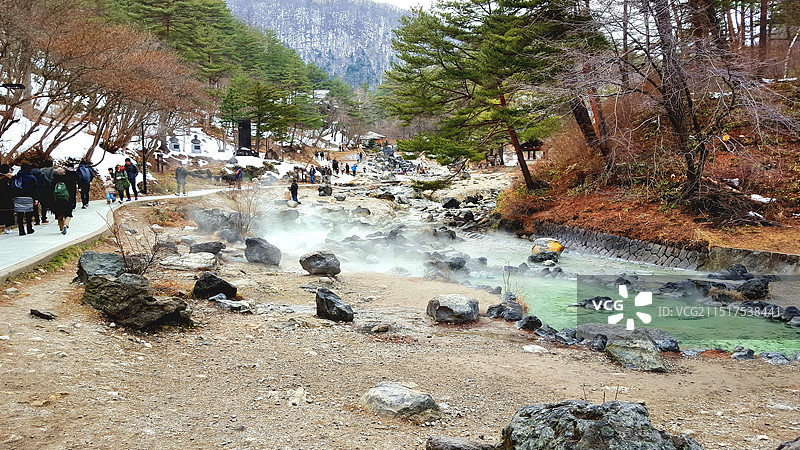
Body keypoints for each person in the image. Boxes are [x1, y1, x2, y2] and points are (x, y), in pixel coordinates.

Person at [11, 163, 38, 236]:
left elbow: (12, 187)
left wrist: (13, 197)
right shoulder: (32, 177)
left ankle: (21, 230)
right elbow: (35, 189)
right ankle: (29, 228)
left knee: (20, 215)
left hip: (18, 196)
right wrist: (35, 198)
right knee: (28, 214)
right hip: (29, 197)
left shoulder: (16, 176)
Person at [51, 167, 75, 234]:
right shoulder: (67, 180)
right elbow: (72, 190)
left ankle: (61, 228)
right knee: (68, 214)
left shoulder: (53, 181)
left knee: (59, 215)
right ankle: (66, 224)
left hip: (56, 200)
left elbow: (50, 191)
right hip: (66, 200)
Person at [38, 159, 54, 224]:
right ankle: (55, 214)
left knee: (43, 204)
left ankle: (43, 217)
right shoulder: (52, 170)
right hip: (50, 188)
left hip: (42, 188)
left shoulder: (41, 170)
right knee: (51, 201)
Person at [0, 164, 15, 233]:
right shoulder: (8, 178)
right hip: (7, 197)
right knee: (8, 212)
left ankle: (4, 227)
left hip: (2, 198)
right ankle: (7, 227)